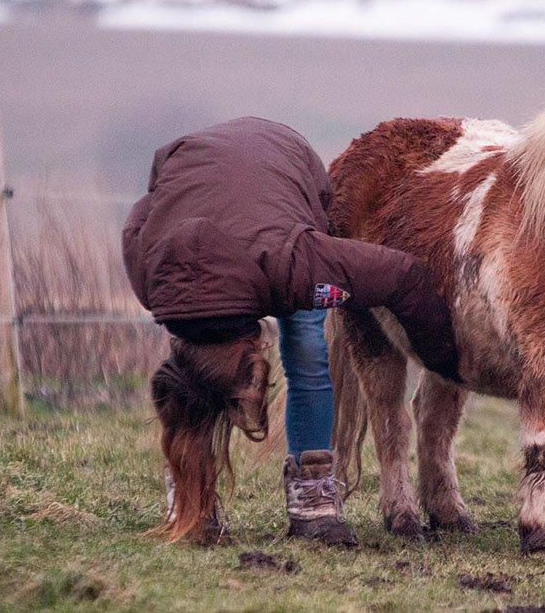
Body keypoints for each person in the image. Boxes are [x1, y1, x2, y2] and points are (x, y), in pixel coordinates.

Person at [122, 117, 461, 545]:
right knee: (193, 386)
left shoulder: (297, 264)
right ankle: (193, 499)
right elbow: (146, 209)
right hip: (197, 166)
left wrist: (445, 359)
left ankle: (313, 497)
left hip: (288, 165)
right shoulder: (155, 275)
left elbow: (403, 275)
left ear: (252, 355)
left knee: (306, 350)